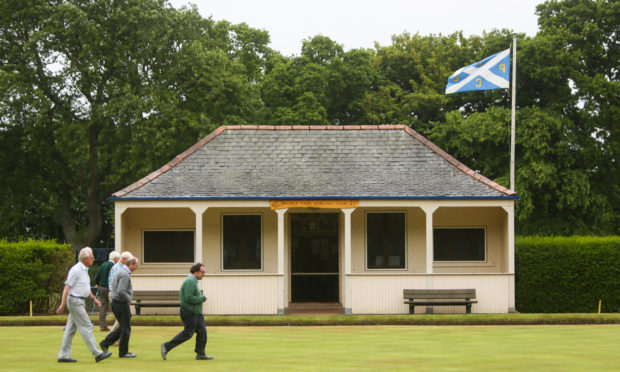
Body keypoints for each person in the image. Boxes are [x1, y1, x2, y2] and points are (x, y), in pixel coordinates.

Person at [57, 247, 112, 363]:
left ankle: (63, 355)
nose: (93, 259)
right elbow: (67, 287)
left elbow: (84, 288)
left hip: (79, 300)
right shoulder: (76, 270)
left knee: (70, 330)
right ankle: (97, 353)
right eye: (92, 257)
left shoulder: (85, 270)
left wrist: (94, 299)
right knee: (87, 326)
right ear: (86, 259)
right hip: (75, 301)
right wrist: (62, 304)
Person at [161, 263, 213, 361]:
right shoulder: (189, 281)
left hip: (196, 313)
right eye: (203, 272)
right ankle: (166, 346)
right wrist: (202, 298)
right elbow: (188, 298)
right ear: (196, 272)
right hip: (189, 312)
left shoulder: (193, 281)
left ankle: (200, 354)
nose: (204, 274)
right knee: (188, 333)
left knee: (202, 332)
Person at [100, 257, 139, 358]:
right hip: (120, 303)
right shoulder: (124, 274)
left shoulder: (121, 271)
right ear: (130, 264)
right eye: (136, 265)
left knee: (122, 327)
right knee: (126, 328)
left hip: (117, 303)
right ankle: (123, 352)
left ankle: (106, 343)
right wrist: (128, 299)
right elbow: (121, 291)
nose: (136, 267)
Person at [106, 251, 132, 339]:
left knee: (121, 320)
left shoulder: (120, 267)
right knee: (120, 320)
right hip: (116, 296)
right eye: (129, 260)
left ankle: (114, 339)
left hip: (116, 294)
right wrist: (126, 299)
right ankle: (110, 339)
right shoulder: (119, 269)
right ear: (124, 260)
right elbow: (119, 288)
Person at [94, 251, 120, 331]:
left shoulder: (103, 265)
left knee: (103, 307)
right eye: (118, 258)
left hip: (102, 288)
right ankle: (117, 324)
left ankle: (103, 325)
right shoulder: (114, 266)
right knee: (115, 306)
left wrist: (97, 283)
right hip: (110, 289)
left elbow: (97, 277)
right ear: (115, 258)